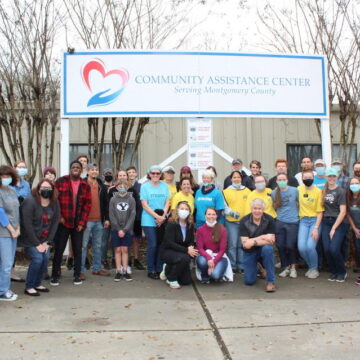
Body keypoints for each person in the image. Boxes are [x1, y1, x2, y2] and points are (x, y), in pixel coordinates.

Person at [50, 160, 91, 286]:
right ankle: (55, 275)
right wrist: (59, 217)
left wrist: (82, 222)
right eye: (73, 167)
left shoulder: (85, 185)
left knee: (78, 250)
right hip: (63, 222)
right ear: (70, 169)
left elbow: (87, 205)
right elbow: (54, 201)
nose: (75, 168)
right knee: (59, 249)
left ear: (81, 170)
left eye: (78, 167)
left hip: (78, 223)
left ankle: (77, 274)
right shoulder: (61, 181)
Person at [19, 179, 60, 296]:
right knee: (37, 259)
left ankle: (37, 283)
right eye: (43, 188)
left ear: (52, 190)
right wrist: (37, 244)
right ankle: (29, 286)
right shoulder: (30, 202)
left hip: (45, 239)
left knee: (45, 259)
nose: (45, 190)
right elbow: (27, 225)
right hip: (30, 239)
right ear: (38, 189)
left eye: (48, 188)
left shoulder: (54, 202)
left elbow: (55, 222)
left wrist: (48, 242)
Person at [109, 169, 143, 272]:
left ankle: (128, 264)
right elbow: (110, 210)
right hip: (116, 224)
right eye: (120, 175)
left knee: (127, 245)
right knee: (118, 247)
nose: (122, 177)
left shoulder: (132, 191)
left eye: (124, 175)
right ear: (117, 177)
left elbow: (136, 207)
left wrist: (132, 222)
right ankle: (119, 266)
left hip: (130, 222)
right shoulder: (112, 192)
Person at [240, 198, 276, 292]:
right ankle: (259, 267)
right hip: (250, 251)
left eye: (259, 209)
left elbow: (271, 241)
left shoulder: (269, 219)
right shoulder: (244, 220)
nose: (257, 211)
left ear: (263, 210)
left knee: (268, 249)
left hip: (264, 249)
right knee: (249, 281)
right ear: (251, 209)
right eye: (255, 208)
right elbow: (246, 245)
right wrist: (263, 236)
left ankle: (270, 282)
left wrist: (253, 241)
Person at [80, 164, 110, 279]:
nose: (94, 171)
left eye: (96, 169)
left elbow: (106, 204)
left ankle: (97, 268)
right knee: (83, 246)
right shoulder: (82, 184)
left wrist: (106, 218)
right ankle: (80, 270)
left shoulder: (102, 185)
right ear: (87, 171)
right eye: (92, 169)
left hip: (99, 221)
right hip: (86, 220)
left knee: (98, 246)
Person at [140, 165, 170, 279]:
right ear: (149, 174)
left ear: (161, 174)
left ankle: (159, 268)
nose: (156, 175)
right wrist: (157, 216)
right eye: (153, 173)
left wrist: (163, 216)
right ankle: (151, 269)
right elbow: (144, 205)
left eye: (158, 173)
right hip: (148, 220)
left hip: (161, 219)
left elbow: (167, 202)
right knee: (152, 244)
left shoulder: (165, 186)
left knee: (160, 244)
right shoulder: (145, 186)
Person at [160, 201, 198, 289]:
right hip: (168, 251)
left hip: (181, 252)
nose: (184, 211)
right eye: (182, 209)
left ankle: (168, 268)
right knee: (185, 258)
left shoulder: (190, 224)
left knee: (186, 281)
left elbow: (191, 240)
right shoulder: (171, 223)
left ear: (189, 212)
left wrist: (191, 247)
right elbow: (170, 243)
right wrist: (187, 250)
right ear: (177, 210)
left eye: (186, 209)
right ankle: (171, 279)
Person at [321, 168, 347, 282]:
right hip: (326, 221)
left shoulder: (341, 191)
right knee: (326, 249)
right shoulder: (324, 191)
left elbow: (343, 212)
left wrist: (334, 228)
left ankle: (342, 271)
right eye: (329, 176)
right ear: (326, 177)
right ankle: (334, 271)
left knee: (334, 249)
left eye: (333, 176)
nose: (331, 178)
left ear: (337, 177)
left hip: (339, 222)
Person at [297, 169, 324, 279]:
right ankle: (311, 266)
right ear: (302, 179)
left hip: (314, 221)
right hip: (303, 221)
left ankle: (314, 268)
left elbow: (320, 212)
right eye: (305, 177)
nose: (307, 179)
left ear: (313, 178)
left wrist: (316, 228)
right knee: (301, 247)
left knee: (310, 247)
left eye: (310, 177)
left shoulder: (318, 191)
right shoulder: (298, 189)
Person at [271, 173, 299, 278]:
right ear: (277, 181)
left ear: (287, 180)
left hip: (293, 222)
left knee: (290, 245)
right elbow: (273, 207)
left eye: (283, 179)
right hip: (280, 222)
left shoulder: (295, 190)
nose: (281, 181)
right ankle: (285, 267)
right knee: (280, 246)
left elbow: (300, 203)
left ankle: (293, 268)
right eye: (279, 179)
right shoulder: (274, 193)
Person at [223, 170, 251, 272]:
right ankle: (233, 266)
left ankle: (241, 266)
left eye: (238, 177)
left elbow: (250, 205)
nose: (236, 179)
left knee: (242, 244)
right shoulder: (225, 192)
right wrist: (232, 213)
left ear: (241, 179)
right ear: (231, 179)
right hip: (231, 222)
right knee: (232, 245)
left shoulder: (247, 191)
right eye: (234, 177)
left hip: (244, 222)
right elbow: (224, 207)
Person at [109, 179, 136, 281]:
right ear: (116, 187)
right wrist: (118, 229)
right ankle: (118, 270)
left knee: (125, 249)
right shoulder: (113, 199)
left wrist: (124, 230)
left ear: (128, 187)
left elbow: (132, 215)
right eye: (120, 185)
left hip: (127, 230)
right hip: (116, 229)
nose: (122, 187)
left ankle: (125, 270)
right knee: (117, 249)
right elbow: (111, 215)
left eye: (124, 185)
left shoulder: (131, 199)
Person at [0, 166, 20, 301]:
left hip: (14, 232)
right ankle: (2, 291)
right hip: (4, 232)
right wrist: (12, 230)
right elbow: (0, 213)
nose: (6, 178)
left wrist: (18, 228)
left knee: (9, 262)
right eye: (3, 176)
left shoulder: (12, 191)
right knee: (6, 264)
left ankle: (4, 287)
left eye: (8, 176)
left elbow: (17, 212)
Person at [196, 207, 228, 283]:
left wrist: (214, 261)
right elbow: (200, 248)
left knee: (216, 275)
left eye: (213, 214)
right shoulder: (200, 229)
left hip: (219, 257)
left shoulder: (222, 229)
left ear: (216, 216)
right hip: (206, 256)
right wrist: (209, 258)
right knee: (201, 261)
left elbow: (222, 250)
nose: (211, 216)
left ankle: (215, 271)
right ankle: (205, 275)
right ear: (205, 216)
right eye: (209, 214)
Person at [126, 166, 145, 270]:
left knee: (136, 239)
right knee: (128, 238)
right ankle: (127, 260)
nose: (132, 174)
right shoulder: (124, 186)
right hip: (127, 217)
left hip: (138, 216)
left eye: (133, 172)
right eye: (129, 172)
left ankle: (136, 259)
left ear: (136, 174)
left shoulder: (141, 186)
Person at [347, 177, 360, 281]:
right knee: (358, 250)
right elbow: (348, 215)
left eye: (356, 183)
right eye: (352, 183)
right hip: (356, 229)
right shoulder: (348, 198)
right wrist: (355, 229)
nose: (354, 185)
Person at [101, 168, 114, 270]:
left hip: (116, 218)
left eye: (110, 173)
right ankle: (104, 260)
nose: (108, 175)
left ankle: (114, 259)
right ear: (103, 175)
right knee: (104, 241)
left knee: (114, 240)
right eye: (106, 174)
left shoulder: (116, 187)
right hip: (106, 217)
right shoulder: (101, 187)